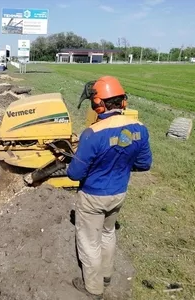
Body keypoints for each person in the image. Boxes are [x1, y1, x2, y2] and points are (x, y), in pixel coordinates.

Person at [67, 76, 152, 299]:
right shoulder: (140, 129)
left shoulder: (92, 134)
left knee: (89, 242)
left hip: (93, 196)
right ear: (123, 102)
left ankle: (93, 288)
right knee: (108, 233)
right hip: (119, 193)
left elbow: (74, 173)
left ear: (99, 104)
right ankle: (106, 275)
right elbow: (144, 164)